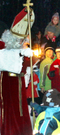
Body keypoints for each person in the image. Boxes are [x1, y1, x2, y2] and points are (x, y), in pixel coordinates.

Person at [0, 7, 35, 135]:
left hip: (17, 79)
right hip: (6, 80)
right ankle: (10, 130)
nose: (21, 42)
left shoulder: (19, 50)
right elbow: (8, 52)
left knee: (19, 107)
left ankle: (21, 130)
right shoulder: (4, 48)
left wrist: (26, 51)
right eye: (20, 40)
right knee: (9, 107)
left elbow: (27, 62)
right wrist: (23, 50)